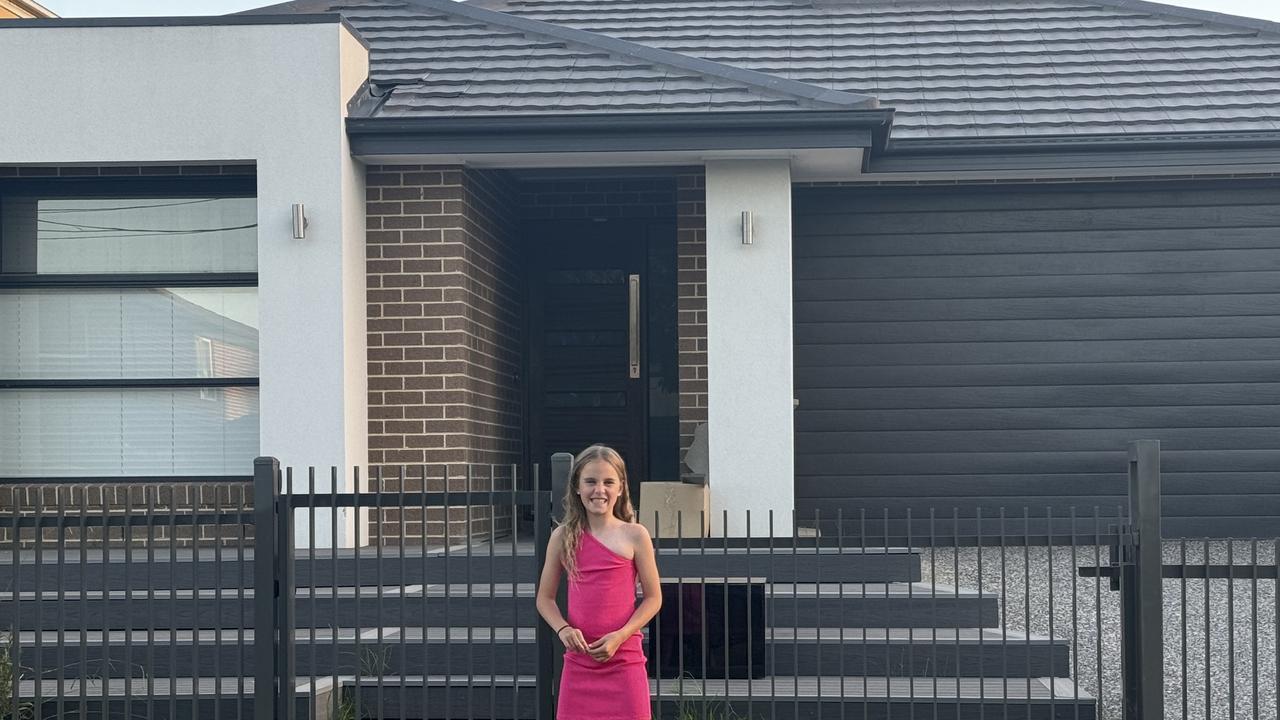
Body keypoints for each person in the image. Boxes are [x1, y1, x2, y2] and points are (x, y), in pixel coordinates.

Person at [535, 444, 662, 720]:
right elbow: (544, 598)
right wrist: (563, 629)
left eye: (608, 482)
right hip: (579, 662)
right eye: (590, 481)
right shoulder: (562, 537)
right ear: (577, 487)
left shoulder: (635, 535)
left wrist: (621, 635)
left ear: (620, 488)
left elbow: (654, 598)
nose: (599, 490)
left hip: (625, 660)